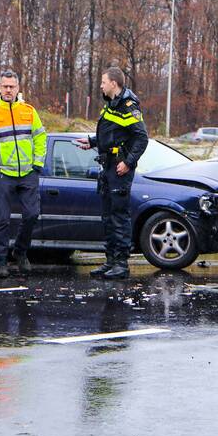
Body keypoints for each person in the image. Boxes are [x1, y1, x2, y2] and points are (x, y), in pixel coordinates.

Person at [75, 68, 148, 279]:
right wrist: (92, 142)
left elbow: (141, 139)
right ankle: (110, 261)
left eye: (103, 82)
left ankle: (121, 264)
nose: (101, 86)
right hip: (107, 165)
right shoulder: (111, 104)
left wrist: (128, 162)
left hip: (119, 168)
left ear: (114, 83)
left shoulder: (128, 106)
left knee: (119, 216)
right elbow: (112, 135)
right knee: (107, 216)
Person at [0, 70, 47, 278]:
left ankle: (21, 251)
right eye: (5, 86)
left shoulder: (29, 111)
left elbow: (41, 138)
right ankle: (0, 261)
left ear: (18, 88)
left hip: (28, 173)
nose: (8, 90)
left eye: (12, 86)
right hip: (4, 174)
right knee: (2, 219)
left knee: (32, 214)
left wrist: (37, 164)